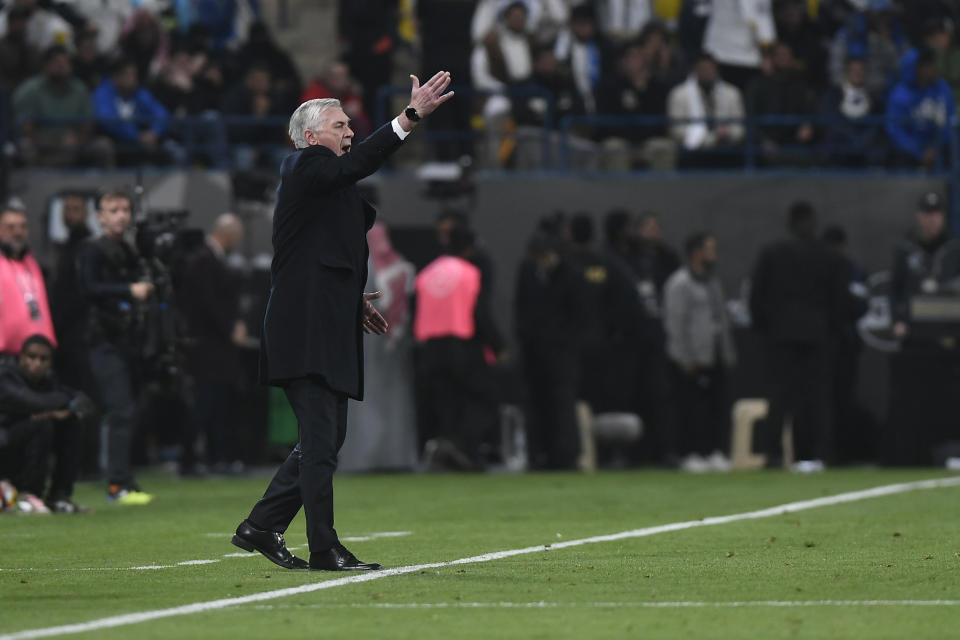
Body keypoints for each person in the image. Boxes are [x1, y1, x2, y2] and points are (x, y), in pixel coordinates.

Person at [232, 71, 454, 572]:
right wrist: (408, 118)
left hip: (324, 324)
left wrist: (355, 299)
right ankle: (323, 548)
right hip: (303, 328)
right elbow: (355, 166)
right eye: (339, 125)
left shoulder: (326, 189)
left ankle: (262, 525)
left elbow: (322, 252)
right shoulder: (305, 164)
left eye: (350, 124)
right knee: (320, 444)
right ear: (312, 137)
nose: (350, 131)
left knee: (325, 441)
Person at [749, 201, 846, 470]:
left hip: (781, 335)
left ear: (790, 222)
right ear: (813, 222)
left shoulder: (773, 252)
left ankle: (773, 455)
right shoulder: (829, 256)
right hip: (818, 335)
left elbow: (757, 297)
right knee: (819, 398)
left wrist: (766, 329)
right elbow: (840, 301)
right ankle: (822, 454)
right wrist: (832, 331)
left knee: (779, 397)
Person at [77, 189, 156, 504]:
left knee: (127, 410)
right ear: (99, 216)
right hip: (103, 340)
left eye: (124, 209)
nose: (121, 215)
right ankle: (116, 485)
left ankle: (123, 479)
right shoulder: (92, 250)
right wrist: (129, 290)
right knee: (121, 410)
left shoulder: (125, 248)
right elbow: (88, 288)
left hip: (123, 340)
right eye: (113, 210)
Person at [415, 226, 505, 471]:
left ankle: (453, 454)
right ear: (469, 248)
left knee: (447, 404)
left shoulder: (427, 273)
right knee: (484, 399)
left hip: (430, 348)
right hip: (460, 346)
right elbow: (480, 313)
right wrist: (497, 345)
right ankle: (462, 445)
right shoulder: (469, 273)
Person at [177, 213, 247, 476]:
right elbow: (208, 304)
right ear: (227, 234)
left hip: (216, 347)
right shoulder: (203, 261)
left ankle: (215, 457)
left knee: (216, 403)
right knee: (204, 403)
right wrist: (230, 327)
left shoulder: (209, 260)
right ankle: (189, 459)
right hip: (207, 347)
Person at [663, 232, 736, 472]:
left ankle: (715, 451)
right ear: (696, 252)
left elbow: (721, 319)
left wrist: (727, 352)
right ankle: (690, 453)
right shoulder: (680, 283)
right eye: (709, 249)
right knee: (691, 408)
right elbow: (674, 323)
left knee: (717, 406)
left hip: (714, 353)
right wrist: (683, 357)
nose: (713, 254)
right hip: (692, 357)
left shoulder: (713, 282)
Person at [0, 335, 96, 514]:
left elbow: (84, 402)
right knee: (42, 424)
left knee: (70, 422)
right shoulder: (5, 376)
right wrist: (58, 407)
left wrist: (65, 410)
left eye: (43, 359)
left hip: (25, 450)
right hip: (5, 449)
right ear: (21, 357)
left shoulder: (48, 382)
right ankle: (30, 495)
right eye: (31, 356)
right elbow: (31, 401)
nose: (37, 363)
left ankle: (59, 496)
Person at [12, 45, 112, 167]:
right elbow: (25, 129)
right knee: (24, 145)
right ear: (46, 65)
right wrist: (51, 141)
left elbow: (88, 125)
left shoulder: (80, 89)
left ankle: (102, 183)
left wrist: (77, 138)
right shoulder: (29, 90)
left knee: (103, 145)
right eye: (56, 62)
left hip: (74, 144)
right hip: (42, 143)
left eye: (66, 62)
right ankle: (31, 182)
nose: (62, 66)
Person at [667, 53, 745, 168]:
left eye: (710, 68)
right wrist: (709, 139)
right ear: (695, 71)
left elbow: (740, 127)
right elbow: (677, 130)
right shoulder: (679, 94)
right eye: (703, 69)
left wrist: (727, 133)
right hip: (692, 152)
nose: (707, 72)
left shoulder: (732, 93)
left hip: (726, 148)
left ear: (716, 70)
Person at [0, 200, 56, 357]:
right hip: (5, 355)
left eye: (23, 226)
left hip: (36, 354)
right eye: (10, 227)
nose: (17, 232)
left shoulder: (31, 262)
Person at [886, 47, 956, 170]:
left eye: (931, 63)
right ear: (915, 68)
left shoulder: (942, 88)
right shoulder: (900, 94)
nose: (931, 68)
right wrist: (919, 152)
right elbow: (895, 130)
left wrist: (935, 149)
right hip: (909, 155)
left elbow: (950, 120)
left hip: (941, 150)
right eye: (925, 65)